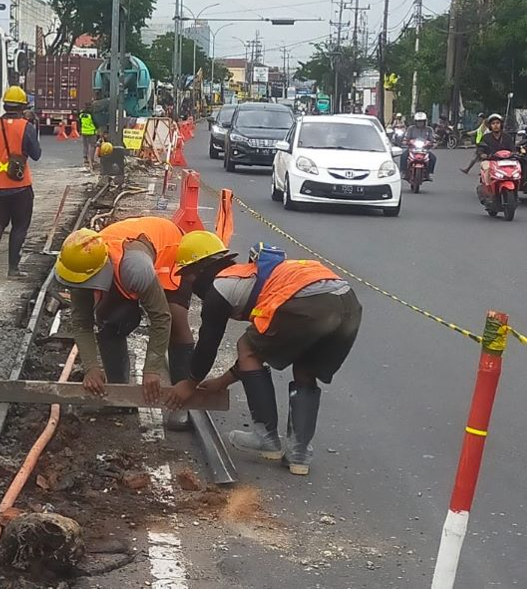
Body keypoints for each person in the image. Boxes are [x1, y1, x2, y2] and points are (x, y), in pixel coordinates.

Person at [171, 232, 361, 476]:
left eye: (187, 275)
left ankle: (266, 435)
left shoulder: (221, 286)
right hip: (347, 303)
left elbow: (209, 343)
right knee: (304, 367)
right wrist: (222, 382)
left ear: (199, 270)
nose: (188, 281)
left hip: (310, 302)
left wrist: (190, 382)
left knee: (247, 345)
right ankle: (299, 454)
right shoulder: (252, 274)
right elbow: (261, 354)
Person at [54, 217, 202, 429]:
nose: (81, 288)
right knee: (108, 319)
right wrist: (91, 367)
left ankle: (182, 402)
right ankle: (119, 394)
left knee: (175, 318)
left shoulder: (134, 268)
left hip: (170, 253)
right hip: (122, 262)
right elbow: (81, 322)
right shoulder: (79, 266)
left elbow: (161, 317)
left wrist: (152, 369)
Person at [0, 86, 41, 281]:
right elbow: (36, 155)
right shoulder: (26, 127)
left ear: (4, 105)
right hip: (20, 187)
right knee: (20, 227)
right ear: (23, 107)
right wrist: (32, 127)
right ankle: (13, 269)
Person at [400, 112, 437, 180]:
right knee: (403, 156)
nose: (420, 123)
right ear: (415, 122)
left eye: (422, 121)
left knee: (433, 158)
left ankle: (429, 173)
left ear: (425, 121)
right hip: (412, 149)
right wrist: (406, 141)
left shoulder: (429, 129)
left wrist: (433, 143)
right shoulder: (411, 129)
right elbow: (406, 137)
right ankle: (404, 172)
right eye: (418, 121)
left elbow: (433, 139)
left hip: (425, 150)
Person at [79, 106, 98, 170]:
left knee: (85, 145)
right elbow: (96, 123)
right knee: (92, 146)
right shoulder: (91, 115)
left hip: (84, 132)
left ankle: (85, 158)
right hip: (91, 132)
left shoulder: (81, 115)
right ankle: (91, 159)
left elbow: (79, 123)